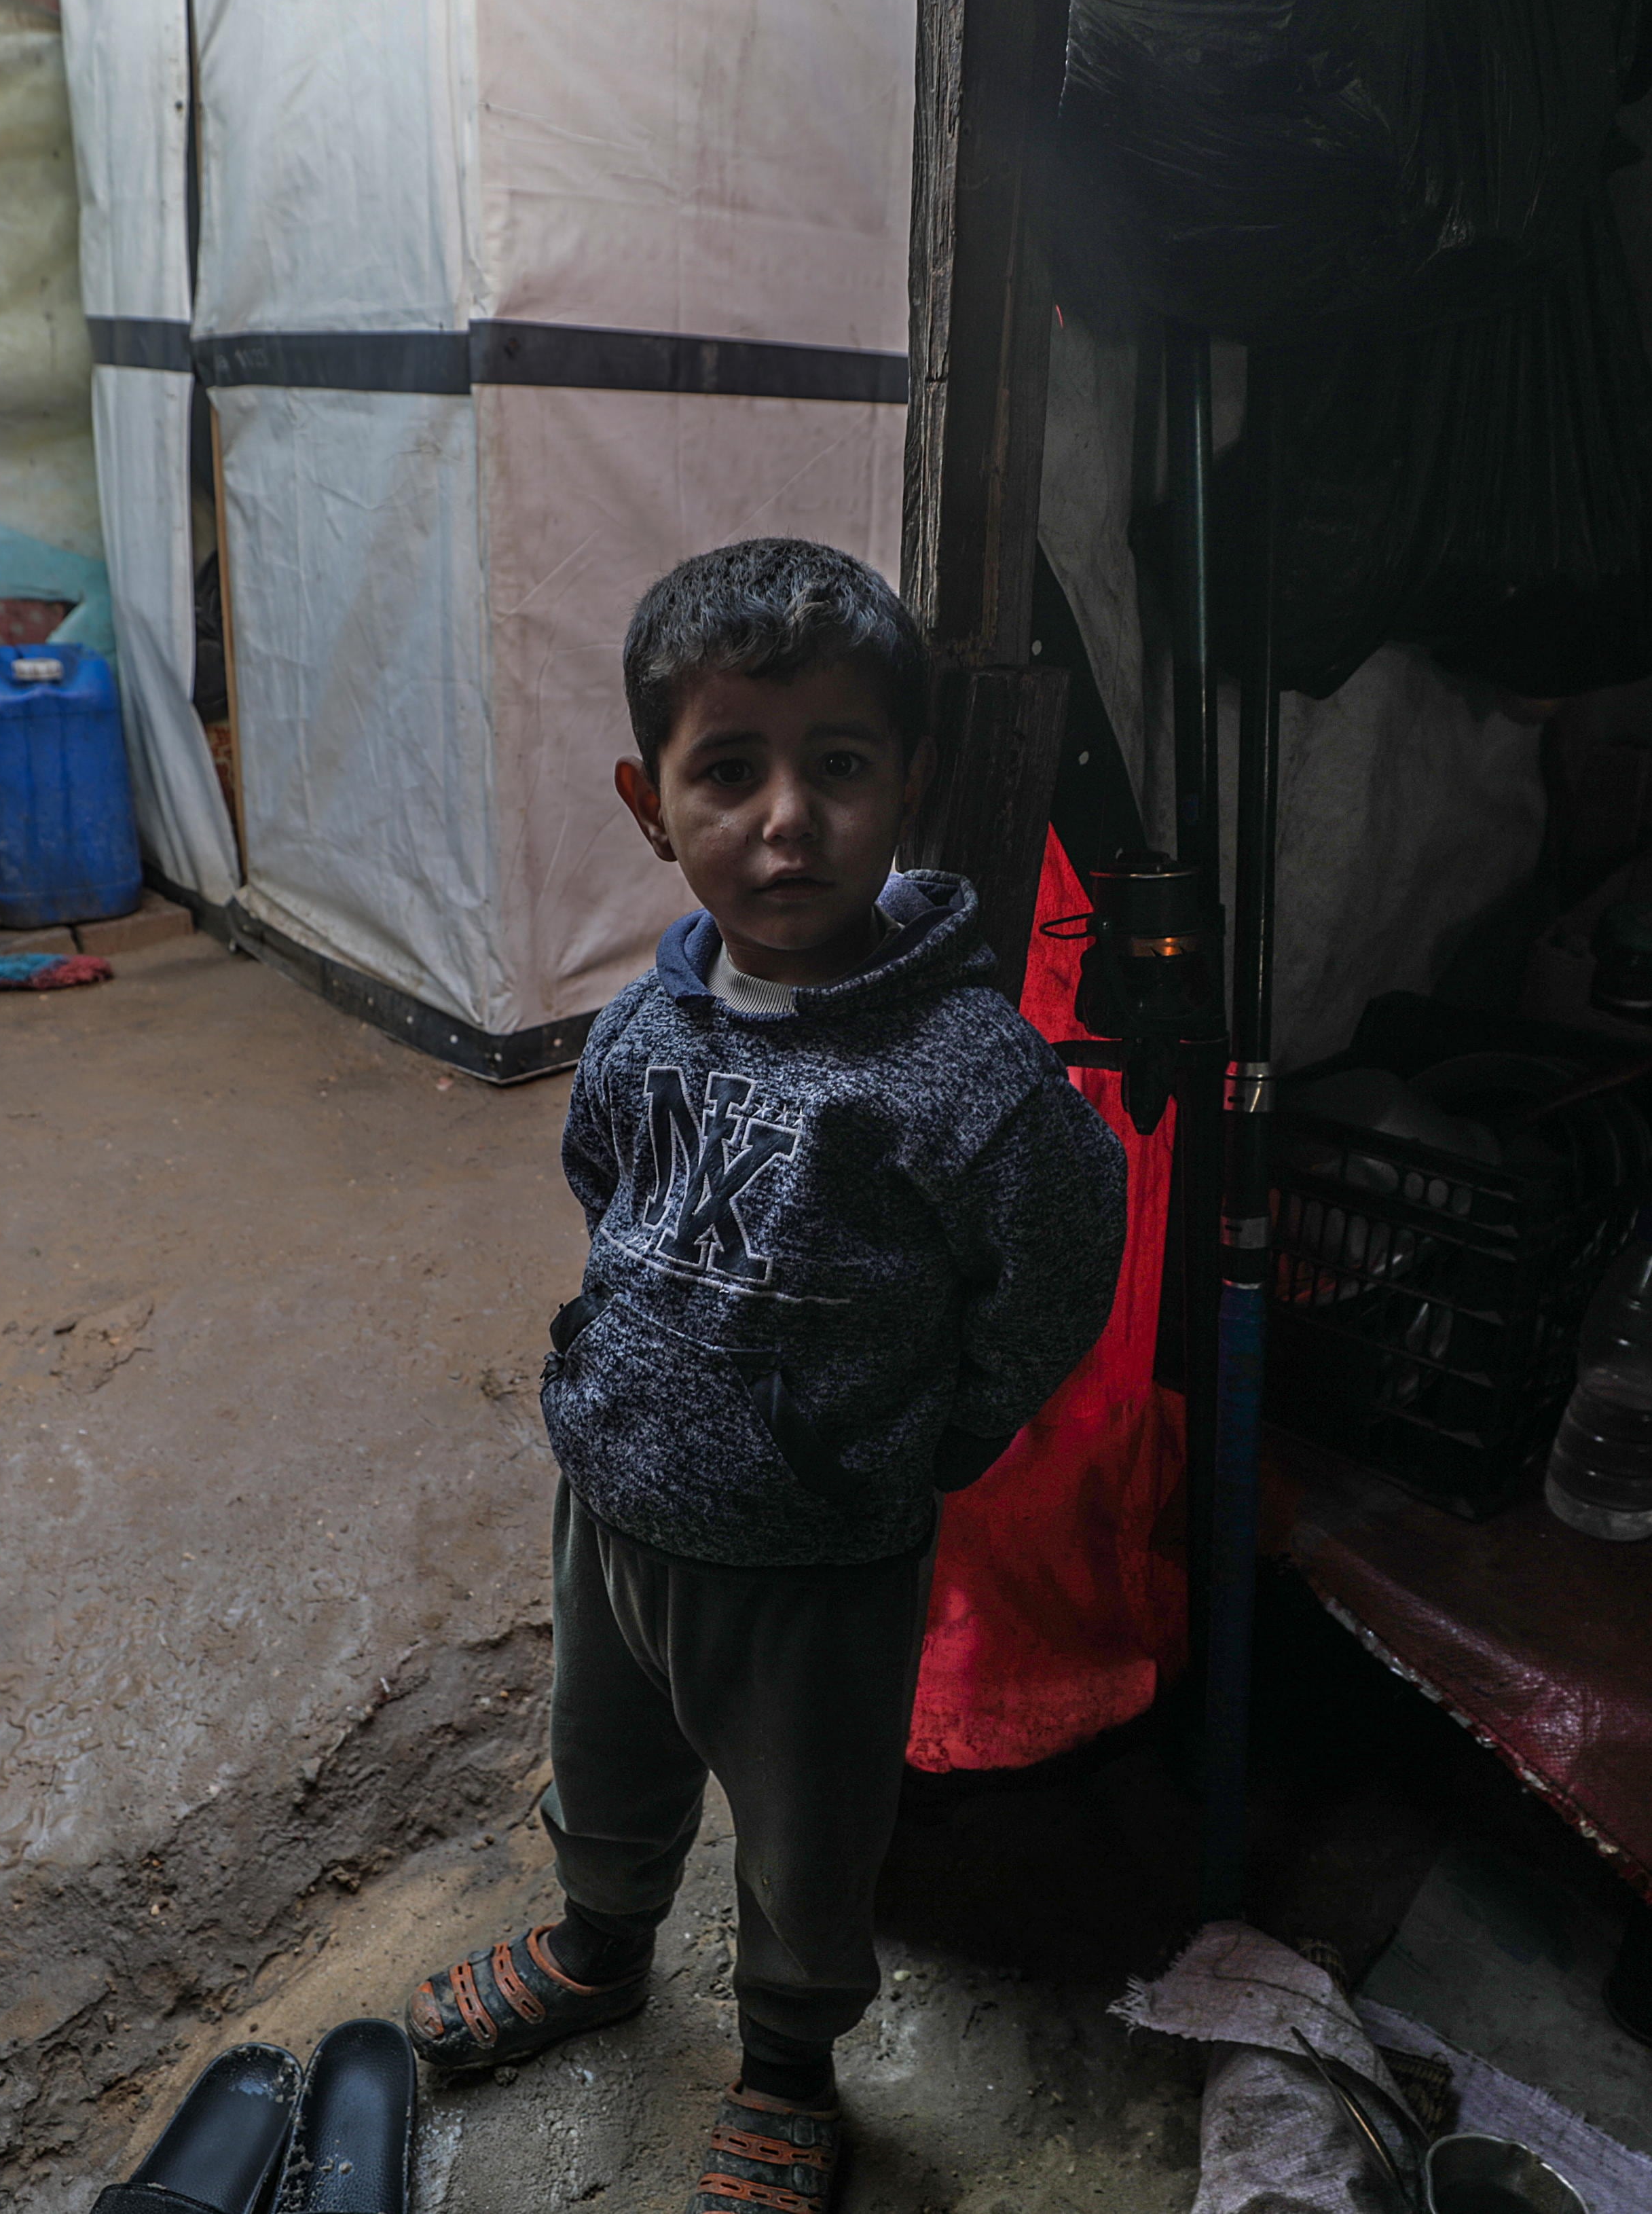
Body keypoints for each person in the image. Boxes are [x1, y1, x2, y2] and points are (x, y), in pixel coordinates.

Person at [399, 539, 1126, 2210]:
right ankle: (598, 1948)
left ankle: (789, 2059)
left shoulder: (968, 1072)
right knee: (606, 1761)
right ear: (649, 802)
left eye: (840, 765)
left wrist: (933, 1429)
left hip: (820, 1559)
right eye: (729, 768)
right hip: (618, 1508)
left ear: (908, 785)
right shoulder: (642, 1027)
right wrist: (627, 1375)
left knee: (808, 1846)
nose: (786, 818)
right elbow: (608, 1185)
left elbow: (1059, 1260)